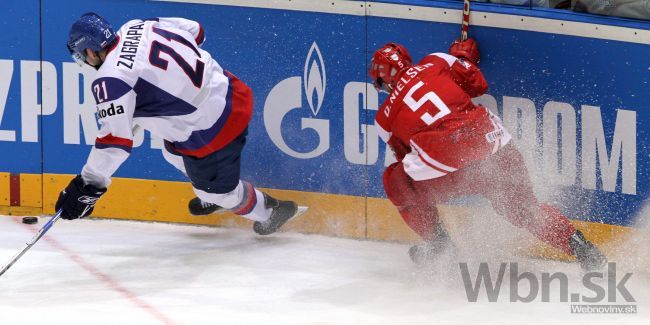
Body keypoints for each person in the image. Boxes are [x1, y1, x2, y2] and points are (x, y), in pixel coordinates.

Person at [368, 39, 607, 271]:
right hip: (492, 146)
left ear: (383, 81)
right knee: (524, 209)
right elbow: (478, 85)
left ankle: (440, 245)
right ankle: (583, 249)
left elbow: (409, 162)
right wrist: (462, 58)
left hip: (449, 169)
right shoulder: (436, 61)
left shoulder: (383, 119)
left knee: (396, 182)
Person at [57, 13, 304, 235]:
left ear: (90, 51)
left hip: (214, 128)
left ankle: (270, 212)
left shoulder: (111, 80)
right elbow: (197, 31)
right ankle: (214, 185)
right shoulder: (139, 25)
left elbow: (114, 143)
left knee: (215, 192)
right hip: (232, 91)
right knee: (171, 150)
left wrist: (87, 187)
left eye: (82, 56)